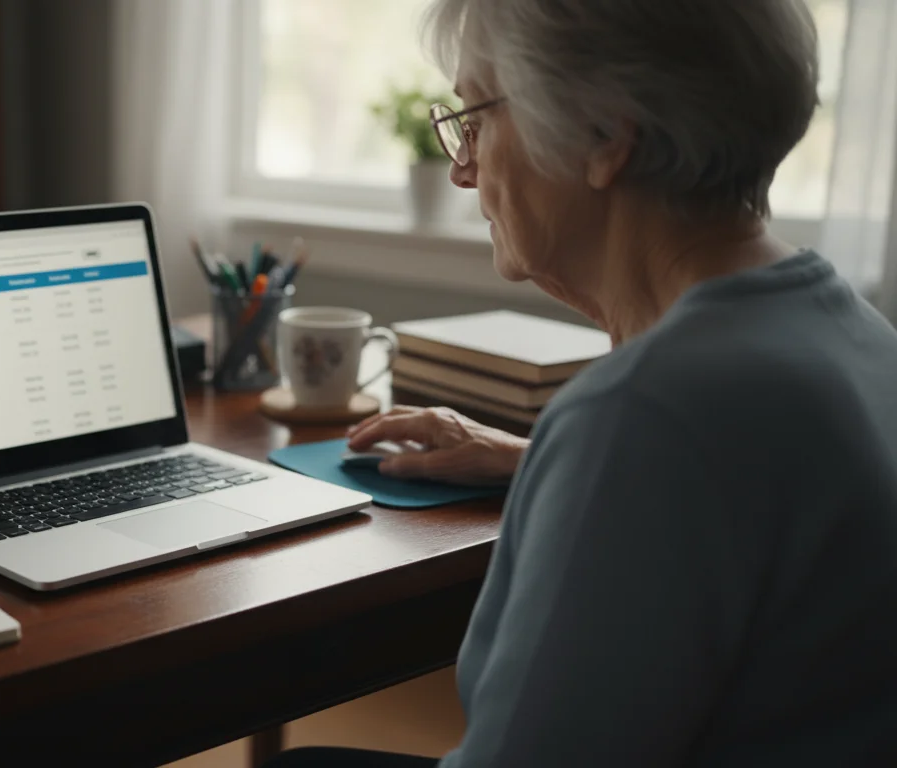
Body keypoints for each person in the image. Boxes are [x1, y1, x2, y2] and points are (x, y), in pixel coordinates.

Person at [269, 0, 897, 766]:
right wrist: (543, 460)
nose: (463, 169)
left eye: (476, 120)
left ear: (604, 136)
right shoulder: (851, 331)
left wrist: (602, 451)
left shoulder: (651, 416)